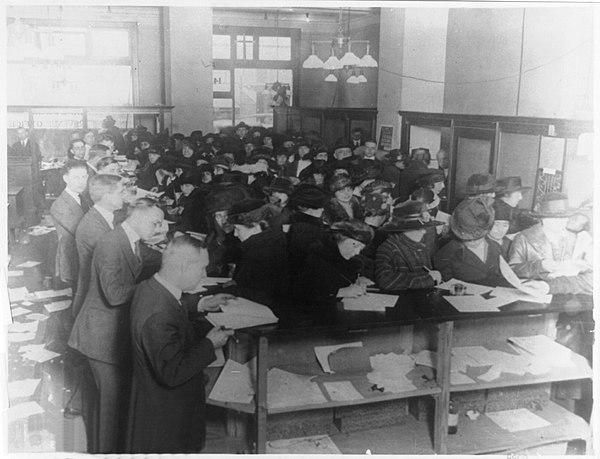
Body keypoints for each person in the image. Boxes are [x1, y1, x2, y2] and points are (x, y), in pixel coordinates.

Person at [68, 198, 165, 453]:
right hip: (100, 337)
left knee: (114, 404)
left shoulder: (128, 237)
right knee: (111, 409)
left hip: (110, 334)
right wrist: (156, 286)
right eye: (156, 223)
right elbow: (114, 294)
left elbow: (143, 259)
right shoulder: (111, 244)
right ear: (140, 218)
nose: (160, 228)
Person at [126, 236, 235, 453]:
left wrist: (202, 302)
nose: (204, 275)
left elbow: (174, 302)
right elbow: (172, 372)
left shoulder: (150, 287)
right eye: (202, 269)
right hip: (167, 416)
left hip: (155, 403)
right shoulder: (158, 315)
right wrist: (209, 344)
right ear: (183, 267)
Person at [509, 192, 592, 294]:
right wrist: (540, 266)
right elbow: (511, 272)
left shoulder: (575, 239)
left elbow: (588, 274)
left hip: (566, 295)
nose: (562, 222)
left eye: (565, 217)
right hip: (532, 293)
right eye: (555, 218)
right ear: (543, 218)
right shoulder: (523, 238)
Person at [72, 174, 124, 318]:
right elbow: (116, 261)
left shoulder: (105, 216)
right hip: (94, 306)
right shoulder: (93, 227)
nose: (124, 196)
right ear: (107, 197)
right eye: (120, 192)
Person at [293, 220, 374, 312]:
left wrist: (357, 280)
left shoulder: (346, 260)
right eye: (354, 245)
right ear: (338, 239)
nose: (357, 252)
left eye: (361, 248)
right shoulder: (315, 258)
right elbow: (302, 293)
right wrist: (340, 292)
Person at [223, 199, 289, 310]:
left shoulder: (262, 252)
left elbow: (265, 296)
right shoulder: (267, 244)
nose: (235, 234)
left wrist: (233, 289)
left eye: (238, 229)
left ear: (256, 226)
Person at [433, 197, 512, 287]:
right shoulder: (446, 254)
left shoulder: (497, 249)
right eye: (468, 237)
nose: (474, 241)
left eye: (479, 236)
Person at [375, 201, 443, 290]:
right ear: (403, 229)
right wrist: (427, 279)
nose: (424, 232)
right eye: (418, 229)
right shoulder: (388, 248)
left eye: (424, 228)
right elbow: (384, 280)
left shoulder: (421, 246)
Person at [50, 160, 91, 289]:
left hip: (83, 252)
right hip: (73, 259)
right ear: (66, 178)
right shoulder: (60, 204)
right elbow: (82, 232)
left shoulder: (82, 197)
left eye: (84, 177)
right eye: (76, 177)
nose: (81, 182)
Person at [287, 184, 329, 280]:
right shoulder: (308, 229)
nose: (322, 210)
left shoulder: (296, 221)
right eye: (319, 207)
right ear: (305, 208)